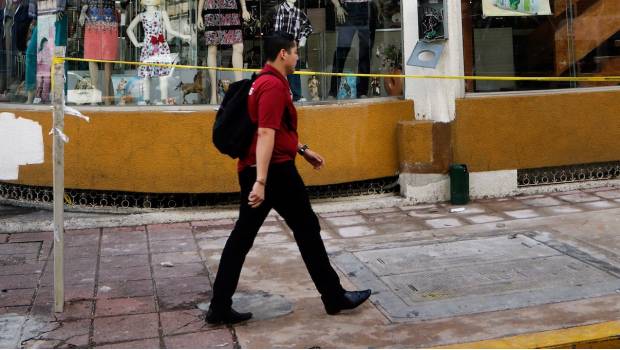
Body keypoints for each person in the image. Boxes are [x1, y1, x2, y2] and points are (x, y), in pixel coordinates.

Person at [206, 31, 371, 325]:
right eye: (295, 51)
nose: (298, 56)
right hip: (275, 172)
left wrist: (303, 150)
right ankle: (333, 296)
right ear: (283, 54)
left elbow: (276, 130)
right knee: (304, 228)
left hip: (267, 168)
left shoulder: (266, 82)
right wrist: (261, 181)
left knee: (246, 237)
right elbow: (266, 133)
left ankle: (219, 306)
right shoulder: (272, 86)